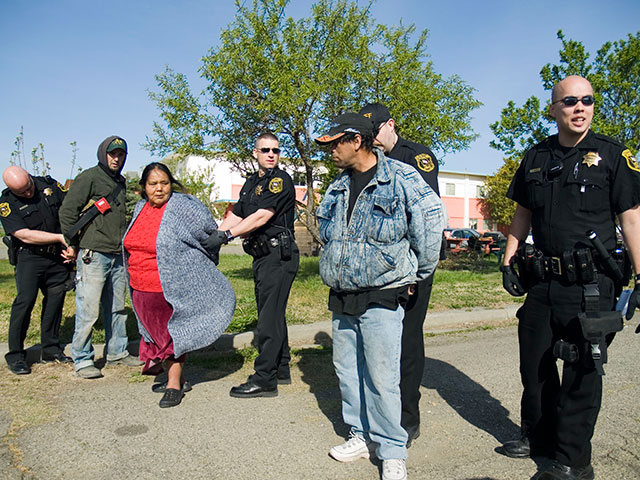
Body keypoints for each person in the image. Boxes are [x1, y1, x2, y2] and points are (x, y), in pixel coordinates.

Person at [499, 75, 640, 480]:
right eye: (570, 101)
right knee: (536, 364)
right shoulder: (536, 157)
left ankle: (573, 461)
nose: (580, 107)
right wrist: (509, 259)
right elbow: (522, 213)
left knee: (582, 370)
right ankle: (540, 437)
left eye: (587, 101)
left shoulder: (614, 156)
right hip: (542, 280)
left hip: (591, 284)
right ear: (553, 109)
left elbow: (631, 219)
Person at [315, 113, 445, 480]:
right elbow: (326, 231)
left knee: (383, 375)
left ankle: (391, 449)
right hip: (343, 294)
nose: (330, 152)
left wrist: (415, 274)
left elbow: (431, 225)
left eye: (334, 144)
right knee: (347, 371)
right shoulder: (338, 187)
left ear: (357, 140)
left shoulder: (402, 179)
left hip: (384, 294)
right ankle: (361, 435)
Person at [359, 102, 442, 446]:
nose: (372, 139)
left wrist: (413, 272)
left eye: (375, 131)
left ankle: (407, 419)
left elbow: (425, 218)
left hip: (411, 268)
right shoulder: (368, 163)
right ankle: (377, 413)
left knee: (407, 340)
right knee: (378, 340)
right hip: (378, 268)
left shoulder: (416, 157)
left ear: (390, 125)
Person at [123, 162, 235, 408]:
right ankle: (180, 378)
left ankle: (173, 384)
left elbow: (208, 232)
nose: (160, 189)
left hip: (170, 287)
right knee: (155, 335)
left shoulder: (182, 206)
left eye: (165, 183)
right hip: (140, 286)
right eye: (153, 184)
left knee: (173, 334)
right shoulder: (140, 208)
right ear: (143, 187)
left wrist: (203, 255)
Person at [201, 132, 299, 398]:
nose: (271, 154)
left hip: (279, 256)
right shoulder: (251, 182)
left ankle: (265, 378)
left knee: (268, 318)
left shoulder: (280, 181)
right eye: (265, 149)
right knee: (273, 313)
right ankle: (280, 367)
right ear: (254, 153)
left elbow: (261, 216)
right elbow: (239, 213)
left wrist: (227, 236)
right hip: (263, 256)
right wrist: (216, 234)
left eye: (276, 150)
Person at [59, 136, 142, 379]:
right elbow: (67, 212)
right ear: (103, 154)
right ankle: (83, 358)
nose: (116, 158)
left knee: (117, 308)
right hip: (93, 254)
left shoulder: (120, 181)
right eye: (112, 153)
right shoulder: (90, 177)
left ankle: (117, 352)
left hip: (117, 255)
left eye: (121, 154)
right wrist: (73, 243)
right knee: (89, 309)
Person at [0, 166, 75, 375]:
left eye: (29, 187)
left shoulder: (48, 185)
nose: (28, 193)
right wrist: (60, 238)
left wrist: (71, 244)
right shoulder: (6, 203)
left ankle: (50, 349)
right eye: (22, 192)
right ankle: (15, 355)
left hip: (56, 257)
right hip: (29, 258)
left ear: (30, 178)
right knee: (24, 303)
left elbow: (68, 209)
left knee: (55, 301)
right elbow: (23, 234)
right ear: (11, 189)